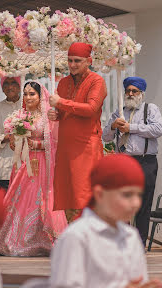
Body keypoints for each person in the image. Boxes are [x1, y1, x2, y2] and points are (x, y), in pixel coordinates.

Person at [50, 154, 162, 288]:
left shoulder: (131, 236)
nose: (135, 203)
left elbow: (138, 285)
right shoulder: (77, 237)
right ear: (99, 194)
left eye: (138, 195)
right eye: (127, 195)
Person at [0, 81, 67, 256]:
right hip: (25, 164)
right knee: (22, 197)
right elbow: (19, 141)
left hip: (43, 164)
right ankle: (18, 240)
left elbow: (55, 142)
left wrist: (38, 144)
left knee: (41, 197)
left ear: (40, 97)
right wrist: (16, 139)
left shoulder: (49, 116)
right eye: (25, 94)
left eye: (32, 94)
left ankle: (47, 239)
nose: (28, 97)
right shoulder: (21, 116)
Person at [48, 42, 107, 222]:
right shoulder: (64, 83)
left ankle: (91, 239)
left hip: (86, 146)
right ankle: (74, 236)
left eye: (77, 61)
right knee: (68, 193)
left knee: (85, 193)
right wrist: (56, 114)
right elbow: (66, 112)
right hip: (66, 146)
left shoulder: (97, 81)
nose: (72, 64)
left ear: (88, 61)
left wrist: (60, 104)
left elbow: (90, 109)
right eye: (69, 60)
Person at [102, 77, 162, 246]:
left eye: (134, 91)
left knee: (143, 202)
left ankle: (140, 243)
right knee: (121, 201)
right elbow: (105, 137)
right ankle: (122, 240)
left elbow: (158, 129)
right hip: (124, 162)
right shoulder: (119, 112)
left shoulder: (150, 109)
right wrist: (113, 126)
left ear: (141, 93)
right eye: (127, 91)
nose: (130, 94)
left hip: (145, 161)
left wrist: (132, 128)